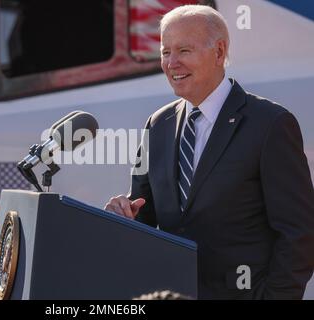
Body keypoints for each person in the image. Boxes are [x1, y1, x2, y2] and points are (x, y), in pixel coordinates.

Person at [104, 4, 314, 299]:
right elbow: (145, 215)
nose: (171, 63)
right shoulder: (157, 124)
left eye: (184, 51)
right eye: (165, 53)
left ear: (219, 52)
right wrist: (123, 214)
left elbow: (299, 234)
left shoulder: (270, 124)